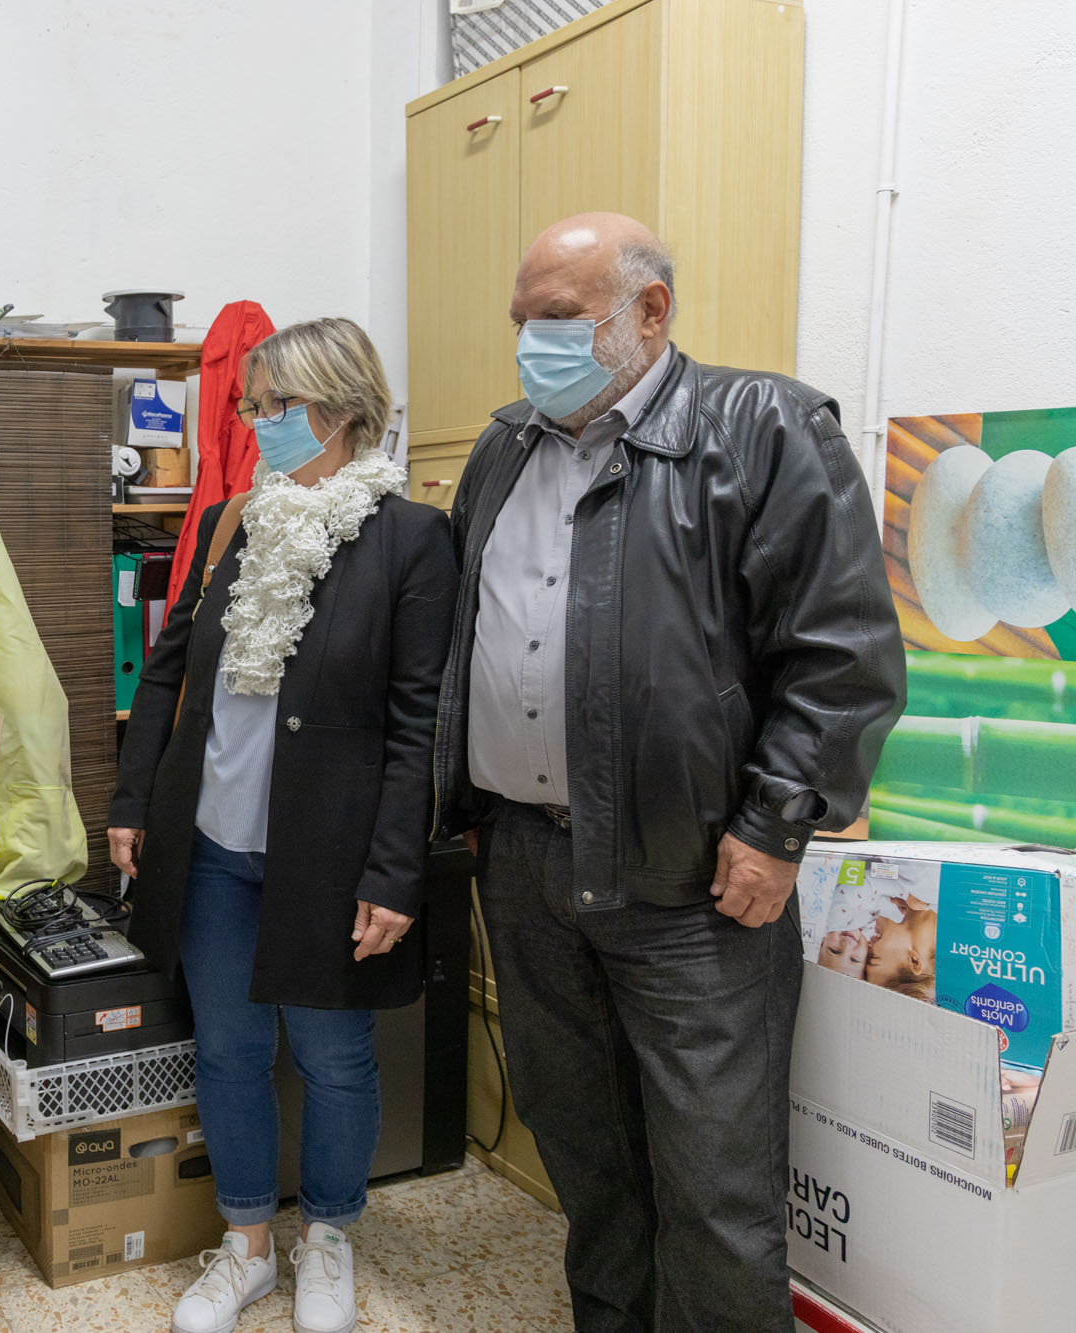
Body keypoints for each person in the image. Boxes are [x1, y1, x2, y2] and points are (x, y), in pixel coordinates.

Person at [435, 212, 906, 1332]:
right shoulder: (503, 447)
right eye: (520, 324)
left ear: (649, 311)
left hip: (691, 880)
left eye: (557, 321)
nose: (529, 348)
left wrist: (777, 822)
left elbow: (841, 655)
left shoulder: (764, 428)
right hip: (524, 862)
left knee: (712, 1187)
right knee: (589, 1164)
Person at [109, 318, 459, 1333]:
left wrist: (394, 873)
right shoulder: (232, 522)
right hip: (211, 846)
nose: (258, 425)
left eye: (277, 408)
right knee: (224, 1049)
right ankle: (247, 1244)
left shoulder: (408, 538)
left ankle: (330, 1237)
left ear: (343, 409)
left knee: (333, 1056)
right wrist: (133, 803)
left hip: (328, 857)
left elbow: (415, 721)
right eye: (253, 408)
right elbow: (167, 667)